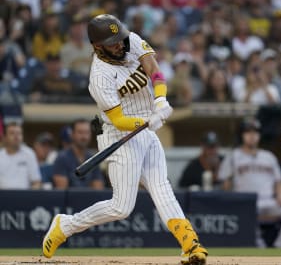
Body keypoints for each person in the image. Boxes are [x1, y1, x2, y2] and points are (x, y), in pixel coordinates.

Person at [42, 14, 208, 265]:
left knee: (161, 187)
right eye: (112, 42)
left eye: (119, 38)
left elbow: (153, 69)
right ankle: (66, 225)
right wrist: (146, 121)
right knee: (121, 207)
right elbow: (119, 119)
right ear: (97, 46)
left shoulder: (130, 40)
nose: (120, 44)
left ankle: (190, 244)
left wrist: (161, 100)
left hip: (146, 127)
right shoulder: (99, 76)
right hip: (119, 134)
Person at [218, 117, 281, 248]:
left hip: (269, 201)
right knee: (243, 210)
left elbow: (279, 182)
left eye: (255, 132)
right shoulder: (233, 156)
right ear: (242, 135)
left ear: (259, 135)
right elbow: (224, 183)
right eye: (248, 132)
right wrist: (233, 197)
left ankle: (279, 246)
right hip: (248, 203)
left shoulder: (269, 156)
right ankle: (259, 246)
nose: (252, 136)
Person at [51, 119, 104, 190]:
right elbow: (62, 192)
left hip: (90, 200)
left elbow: (98, 189)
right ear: (72, 134)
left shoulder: (93, 158)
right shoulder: (62, 158)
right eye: (80, 132)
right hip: (69, 200)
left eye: (87, 132)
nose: (84, 136)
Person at [0, 122, 42, 189]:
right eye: (12, 133)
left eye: (19, 133)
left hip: (24, 197)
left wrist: (30, 196)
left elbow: (36, 182)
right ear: (5, 137)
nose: (16, 136)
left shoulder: (29, 154)